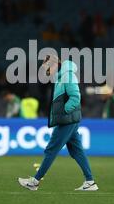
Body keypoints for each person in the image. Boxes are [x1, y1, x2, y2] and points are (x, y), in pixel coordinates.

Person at [18, 55, 98, 191]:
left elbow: (75, 97)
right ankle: (90, 182)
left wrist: (64, 111)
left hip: (67, 120)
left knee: (51, 149)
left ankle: (34, 182)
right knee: (77, 151)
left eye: (47, 69)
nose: (47, 73)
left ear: (55, 64)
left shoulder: (67, 76)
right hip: (68, 120)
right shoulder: (61, 77)